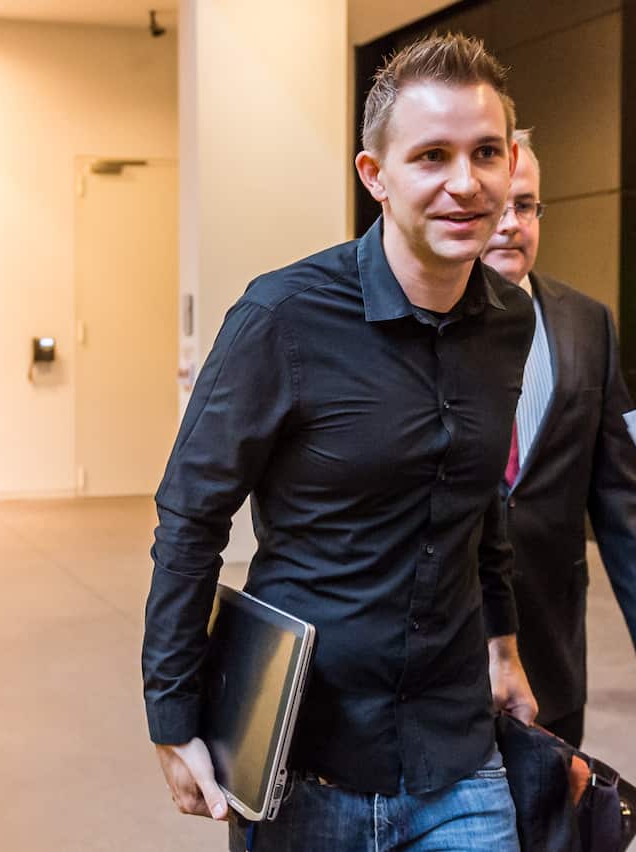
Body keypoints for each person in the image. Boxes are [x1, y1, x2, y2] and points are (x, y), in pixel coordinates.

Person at [142, 34, 538, 851]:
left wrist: (505, 646)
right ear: (376, 177)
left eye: (486, 153)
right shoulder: (281, 319)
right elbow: (191, 516)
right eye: (431, 156)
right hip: (304, 759)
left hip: (457, 750)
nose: (465, 183)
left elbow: (480, 504)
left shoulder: (511, 319)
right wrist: (173, 715)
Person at [480, 129, 636, 747]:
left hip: (550, 625)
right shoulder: (412, 328)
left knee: (550, 811)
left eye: (526, 205)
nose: (511, 224)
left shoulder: (584, 321)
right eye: (496, 207)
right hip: (440, 637)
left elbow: (619, 485)